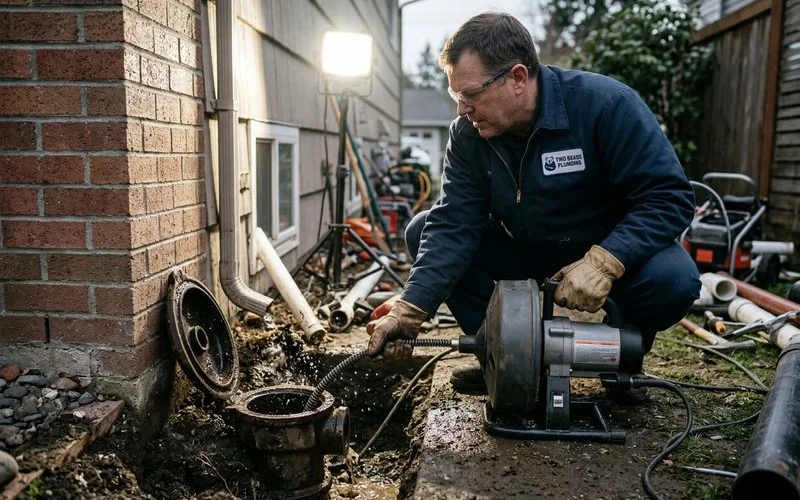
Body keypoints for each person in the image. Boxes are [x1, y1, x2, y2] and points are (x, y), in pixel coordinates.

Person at [366, 12, 700, 398]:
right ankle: (502, 358)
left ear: (518, 78)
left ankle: (621, 363)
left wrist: (607, 259)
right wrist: (410, 309)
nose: (462, 109)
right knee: (423, 228)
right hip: (522, 246)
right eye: (456, 96)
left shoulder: (605, 106)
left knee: (674, 279)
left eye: (471, 94)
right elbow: (453, 223)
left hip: (605, 245)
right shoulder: (469, 136)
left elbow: (668, 196)